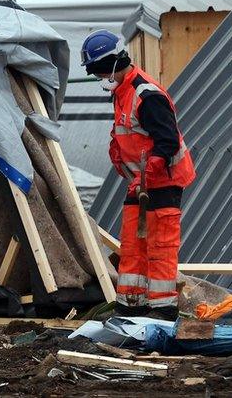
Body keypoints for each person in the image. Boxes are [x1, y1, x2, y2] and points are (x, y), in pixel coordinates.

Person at [81, 29, 196, 321]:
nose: (100, 77)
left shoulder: (148, 94)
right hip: (141, 182)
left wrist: (146, 174)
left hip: (163, 181)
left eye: (102, 70)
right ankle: (130, 305)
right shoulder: (121, 91)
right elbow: (127, 131)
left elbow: (167, 142)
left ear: (117, 62)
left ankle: (162, 310)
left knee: (160, 246)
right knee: (132, 245)